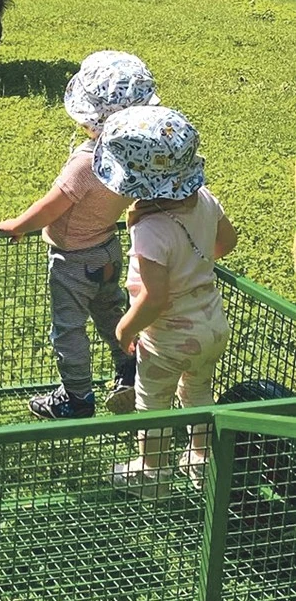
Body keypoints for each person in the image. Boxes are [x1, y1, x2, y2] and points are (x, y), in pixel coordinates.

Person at [0, 50, 160, 419]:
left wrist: (19, 225)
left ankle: (77, 397)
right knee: (109, 312)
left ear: (90, 117)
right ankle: (129, 368)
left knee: (68, 329)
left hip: (73, 261)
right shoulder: (132, 158)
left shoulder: (87, 162)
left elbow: (54, 204)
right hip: (107, 251)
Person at [92, 106, 239, 497]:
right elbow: (227, 242)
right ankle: (200, 462)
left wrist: (126, 327)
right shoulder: (205, 199)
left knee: (152, 403)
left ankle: (152, 474)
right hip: (211, 326)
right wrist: (195, 260)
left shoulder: (153, 229)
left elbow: (155, 297)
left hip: (169, 339)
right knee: (198, 392)